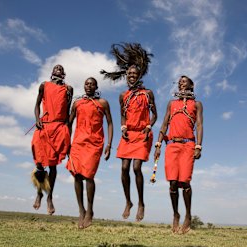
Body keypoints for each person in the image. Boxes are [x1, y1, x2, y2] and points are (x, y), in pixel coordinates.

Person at [101, 43, 157, 222]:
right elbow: (122, 116)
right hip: (128, 135)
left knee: (136, 167)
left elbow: (154, 115)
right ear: (126, 76)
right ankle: (128, 201)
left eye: (135, 74)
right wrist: (123, 128)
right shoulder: (122, 96)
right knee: (124, 167)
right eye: (129, 74)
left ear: (139, 75)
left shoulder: (147, 93)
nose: (132, 76)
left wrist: (149, 126)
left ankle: (141, 202)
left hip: (142, 134)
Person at [154, 75, 203, 234]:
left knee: (185, 182)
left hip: (188, 144)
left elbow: (200, 125)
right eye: (180, 82)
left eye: (184, 82)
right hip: (172, 144)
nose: (181, 84)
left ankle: (188, 215)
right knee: (173, 183)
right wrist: (159, 144)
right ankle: (176, 214)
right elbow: (164, 123)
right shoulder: (172, 103)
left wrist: (198, 146)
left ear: (191, 85)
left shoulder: (196, 104)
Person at [66, 77, 113, 229]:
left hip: (94, 143)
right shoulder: (77, 103)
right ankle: (81, 210)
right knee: (77, 175)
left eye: (92, 84)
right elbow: (69, 123)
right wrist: (67, 142)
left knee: (88, 175)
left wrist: (109, 145)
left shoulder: (103, 103)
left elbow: (110, 123)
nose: (89, 86)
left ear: (96, 87)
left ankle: (90, 210)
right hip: (78, 142)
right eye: (86, 83)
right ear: (84, 86)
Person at [31, 64, 73, 215]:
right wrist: (37, 119)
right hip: (44, 127)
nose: (59, 69)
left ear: (64, 73)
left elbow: (68, 113)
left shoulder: (68, 89)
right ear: (52, 72)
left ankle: (49, 197)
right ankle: (39, 193)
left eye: (61, 68)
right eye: (56, 68)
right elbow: (36, 105)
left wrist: (68, 135)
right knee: (40, 165)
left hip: (59, 128)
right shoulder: (44, 85)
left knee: (54, 167)